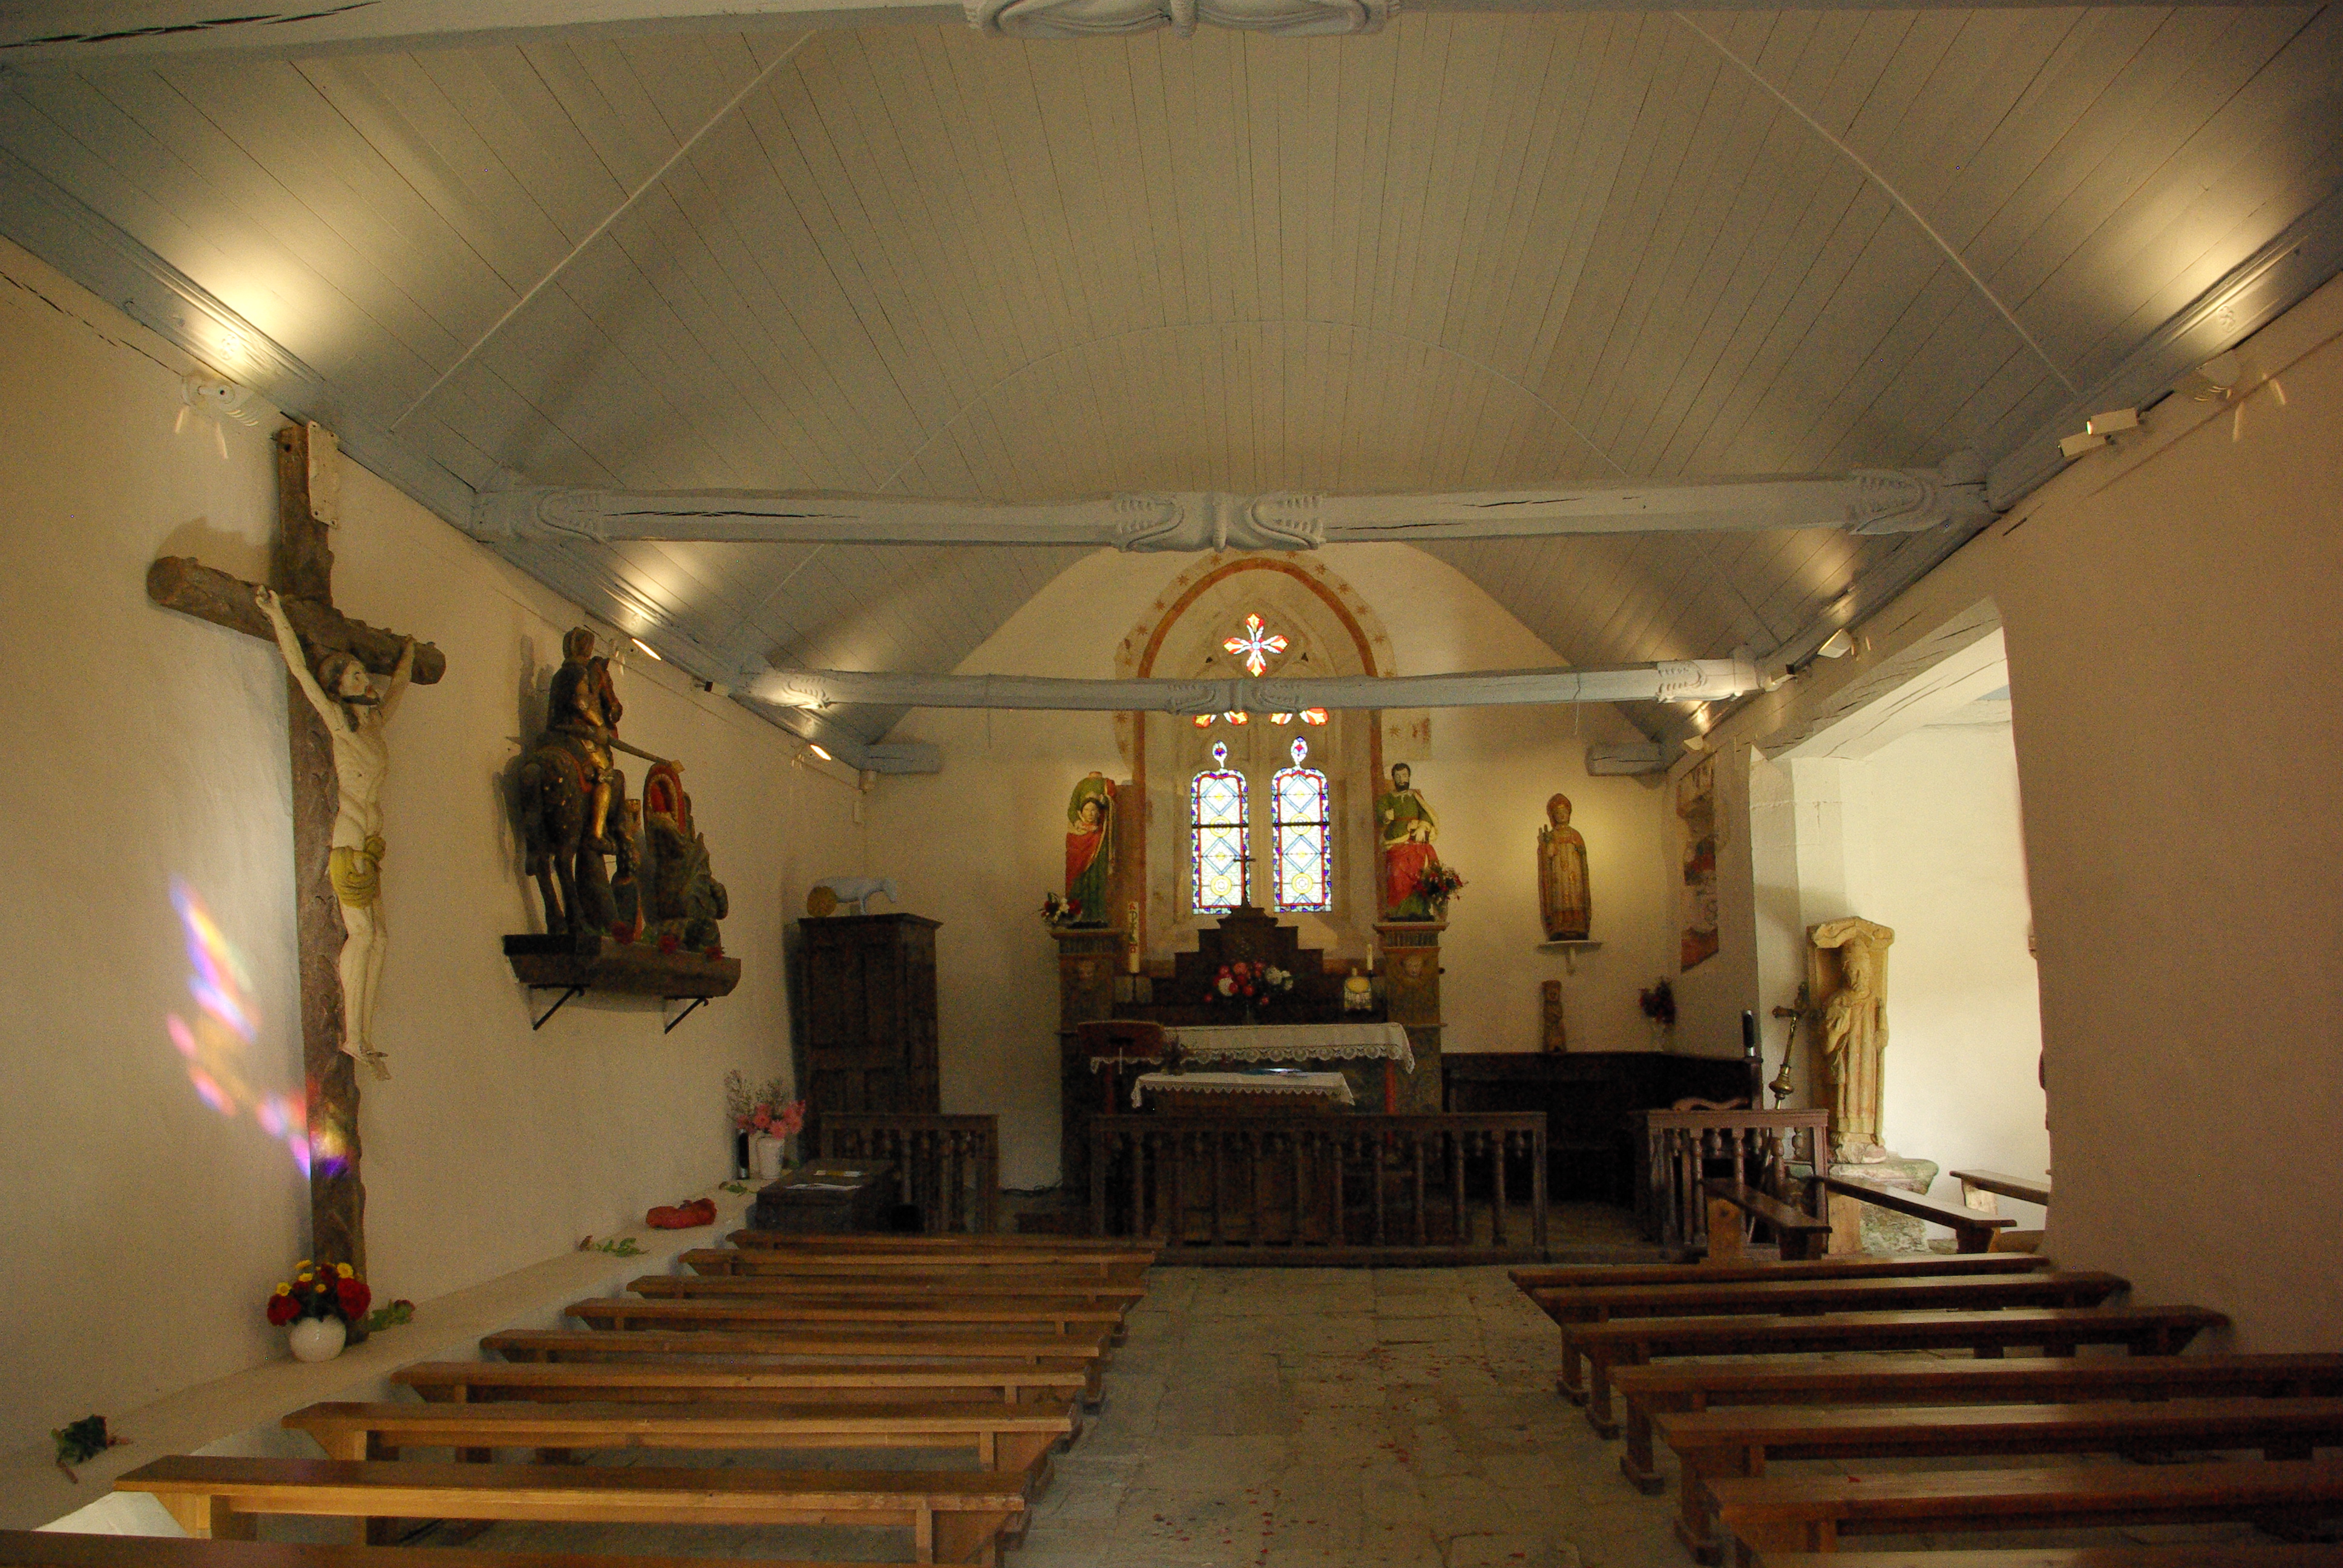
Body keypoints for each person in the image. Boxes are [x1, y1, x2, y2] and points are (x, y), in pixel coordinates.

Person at [257, 585, 412, 1082]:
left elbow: (400, 688)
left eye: (365, 673)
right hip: (349, 834)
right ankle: (353, 1034)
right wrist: (277, 615)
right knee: (362, 934)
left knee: (381, 939)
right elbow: (302, 672)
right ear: (340, 687)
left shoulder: (374, 728)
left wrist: (408, 657)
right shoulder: (340, 726)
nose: (366, 680)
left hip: (371, 843)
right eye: (356, 675)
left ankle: (364, 1034)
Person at [1377, 762, 1441, 920]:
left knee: (1418, 875)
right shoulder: (1387, 798)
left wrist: (1422, 827)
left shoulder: (1415, 796)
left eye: (1405, 776)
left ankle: (1419, 911)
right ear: (1393, 778)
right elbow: (1380, 814)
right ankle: (1398, 911)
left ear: (1409, 776)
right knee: (1396, 873)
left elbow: (1426, 813)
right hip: (1395, 842)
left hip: (1415, 842)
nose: (1402, 780)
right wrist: (1386, 816)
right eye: (1398, 776)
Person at [1538, 792, 1591, 940]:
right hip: (1559, 874)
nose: (1562, 816)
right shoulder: (1552, 835)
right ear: (1554, 816)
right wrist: (1548, 845)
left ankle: (1577, 924)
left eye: (1564, 813)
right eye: (1558, 813)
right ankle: (1561, 925)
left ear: (1569, 814)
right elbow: (1549, 855)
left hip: (1574, 872)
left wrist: (1575, 847)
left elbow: (1580, 852)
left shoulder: (1575, 835)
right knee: (1560, 896)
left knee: (1575, 896)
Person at [1064, 773, 1115, 923]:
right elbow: (1072, 810)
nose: (1090, 813)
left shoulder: (1107, 784)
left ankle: (1097, 916)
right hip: (1081, 839)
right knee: (1079, 877)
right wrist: (1080, 824)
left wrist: (1104, 800)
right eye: (1087, 810)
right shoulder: (1081, 785)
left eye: (1093, 810)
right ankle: (1077, 915)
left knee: (1097, 876)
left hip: (1100, 838)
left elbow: (1112, 804)